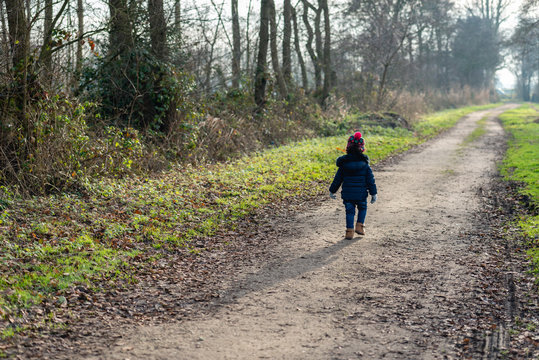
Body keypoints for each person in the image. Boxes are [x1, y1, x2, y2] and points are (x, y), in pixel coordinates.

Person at [329, 132, 377, 240]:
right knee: (362, 208)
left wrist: (332, 191)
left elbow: (337, 180)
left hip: (348, 194)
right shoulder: (365, 165)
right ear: (362, 148)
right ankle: (360, 226)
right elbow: (371, 181)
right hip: (361, 194)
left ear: (348, 147)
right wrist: (373, 193)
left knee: (349, 212)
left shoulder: (343, 164)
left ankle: (349, 232)